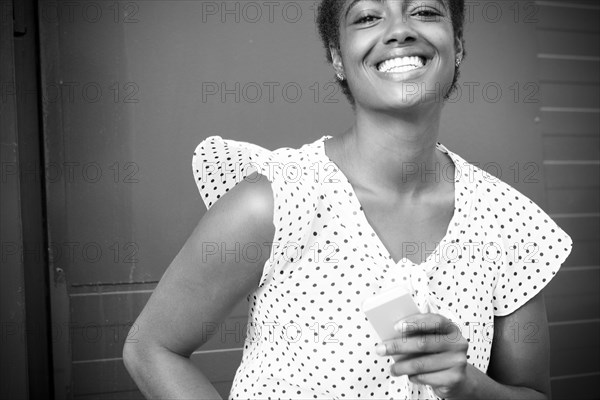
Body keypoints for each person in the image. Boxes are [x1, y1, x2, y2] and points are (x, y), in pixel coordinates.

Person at [123, 0, 573, 398]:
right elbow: (151, 348)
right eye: (368, 16)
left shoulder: (508, 222)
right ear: (338, 59)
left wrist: (468, 385)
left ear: (458, 46)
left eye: (425, 11)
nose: (399, 29)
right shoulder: (277, 201)